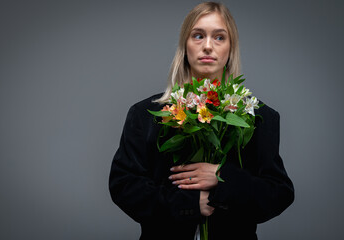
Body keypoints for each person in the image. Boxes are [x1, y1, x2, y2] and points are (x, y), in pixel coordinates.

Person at [109, 2, 294, 240]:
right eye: (198, 36)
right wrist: (187, 203)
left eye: (219, 37)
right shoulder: (144, 114)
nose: (208, 46)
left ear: (231, 48)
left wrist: (222, 178)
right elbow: (123, 186)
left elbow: (278, 193)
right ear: (184, 46)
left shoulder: (259, 117)